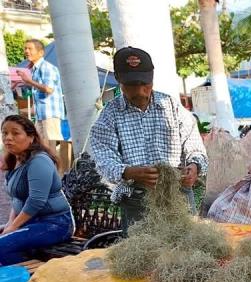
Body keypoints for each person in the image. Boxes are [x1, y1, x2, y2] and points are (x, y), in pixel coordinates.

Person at [89, 46, 208, 236]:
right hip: (137, 201)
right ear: (119, 81)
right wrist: (127, 172)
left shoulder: (170, 105)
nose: (141, 92)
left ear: (151, 79)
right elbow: (103, 158)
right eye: (132, 86)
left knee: (188, 249)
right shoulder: (109, 115)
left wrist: (194, 166)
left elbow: (193, 143)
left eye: (144, 84)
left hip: (178, 194)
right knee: (146, 259)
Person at [0, 114, 74, 265]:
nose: (8, 137)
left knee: (2, 246)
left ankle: (29, 281)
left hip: (55, 224)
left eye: (15, 133)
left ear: (31, 137)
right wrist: (10, 223)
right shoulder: (16, 160)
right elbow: (17, 199)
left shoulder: (39, 161)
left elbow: (35, 201)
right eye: (4, 133)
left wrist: (13, 227)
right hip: (31, 222)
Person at [19, 39, 65, 145]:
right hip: (41, 114)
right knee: (39, 145)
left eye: (30, 48)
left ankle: (56, 162)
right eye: (25, 48)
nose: (26, 51)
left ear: (41, 53)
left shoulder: (47, 67)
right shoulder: (35, 69)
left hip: (50, 113)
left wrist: (29, 81)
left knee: (51, 145)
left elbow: (49, 89)